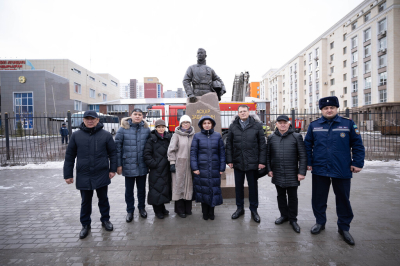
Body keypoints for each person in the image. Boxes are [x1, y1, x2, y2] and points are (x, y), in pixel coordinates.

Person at [304, 96, 365, 245]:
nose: (329, 110)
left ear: (337, 108)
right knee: (318, 198)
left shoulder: (348, 124)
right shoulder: (314, 126)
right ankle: (320, 222)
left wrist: (357, 163)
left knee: (343, 199)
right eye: (325, 108)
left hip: (342, 168)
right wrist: (309, 163)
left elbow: (357, 145)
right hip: (320, 168)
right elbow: (307, 146)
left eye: (331, 107)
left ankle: (344, 227)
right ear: (321, 110)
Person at [63, 110, 117, 239]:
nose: (90, 121)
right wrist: (68, 174)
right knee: (85, 201)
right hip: (84, 174)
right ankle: (85, 225)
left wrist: (112, 169)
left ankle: (105, 220)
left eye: (92, 118)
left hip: (101, 173)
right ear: (83, 120)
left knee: (103, 199)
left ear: (98, 120)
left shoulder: (106, 135)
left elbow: (113, 154)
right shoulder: (76, 136)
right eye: (87, 118)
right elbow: (70, 156)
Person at [226, 105, 267, 223]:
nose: (242, 113)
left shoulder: (257, 126)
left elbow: (262, 145)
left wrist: (261, 161)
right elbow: (229, 145)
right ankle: (240, 208)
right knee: (238, 187)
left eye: (244, 111)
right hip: (238, 162)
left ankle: (254, 210)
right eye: (240, 111)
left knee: (253, 187)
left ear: (249, 112)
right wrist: (229, 160)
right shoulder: (233, 126)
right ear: (238, 113)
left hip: (253, 162)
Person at [266, 115, 307, 233]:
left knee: (293, 197)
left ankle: (293, 219)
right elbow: (268, 156)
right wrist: (269, 169)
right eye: (280, 122)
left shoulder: (296, 136)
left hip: (292, 173)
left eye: (285, 122)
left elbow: (303, 156)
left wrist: (301, 172)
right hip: (277, 172)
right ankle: (284, 215)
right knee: (280, 195)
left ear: (289, 124)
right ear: (276, 124)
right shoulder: (272, 137)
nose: (282, 124)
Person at [115, 108, 151, 223]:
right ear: (131, 115)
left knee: (142, 189)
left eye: (139, 115)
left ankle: (142, 208)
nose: (137, 116)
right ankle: (130, 211)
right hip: (128, 164)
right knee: (129, 190)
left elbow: (150, 148)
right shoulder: (123, 129)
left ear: (142, 116)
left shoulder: (146, 129)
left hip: (142, 165)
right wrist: (118, 165)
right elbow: (117, 148)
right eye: (135, 114)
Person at [190, 116, 226, 220]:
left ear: (212, 125)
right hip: (201, 169)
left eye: (209, 123)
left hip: (214, 168)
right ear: (201, 125)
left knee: (213, 190)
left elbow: (222, 153)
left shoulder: (217, 136)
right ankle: (205, 212)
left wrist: (221, 168)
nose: (206, 125)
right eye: (204, 123)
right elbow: (193, 154)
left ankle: (212, 212)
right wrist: (195, 168)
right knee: (203, 190)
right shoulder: (197, 136)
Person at [167, 115, 195, 218]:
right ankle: (179, 210)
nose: (186, 124)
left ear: (190, 124)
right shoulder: (176, 135)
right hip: (179, 165)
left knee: (188, 186)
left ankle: (188, 209)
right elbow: (171, 150)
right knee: (179, 186)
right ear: (181, 124)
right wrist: (172, 163)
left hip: (191, 166)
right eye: (184, 122)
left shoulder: (193, 135)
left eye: (188, 122)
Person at [143, 119, 172, 219]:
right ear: (156, 128)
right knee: (156, 189)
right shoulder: (151, 139)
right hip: (156, 169)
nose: (161, 129)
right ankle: (157, 210)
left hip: (166, 168)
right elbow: (146, 154)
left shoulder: (169, 137)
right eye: (159, 127)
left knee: (164, 189)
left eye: (163, 127)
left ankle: (162, 207)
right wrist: (154, 164)